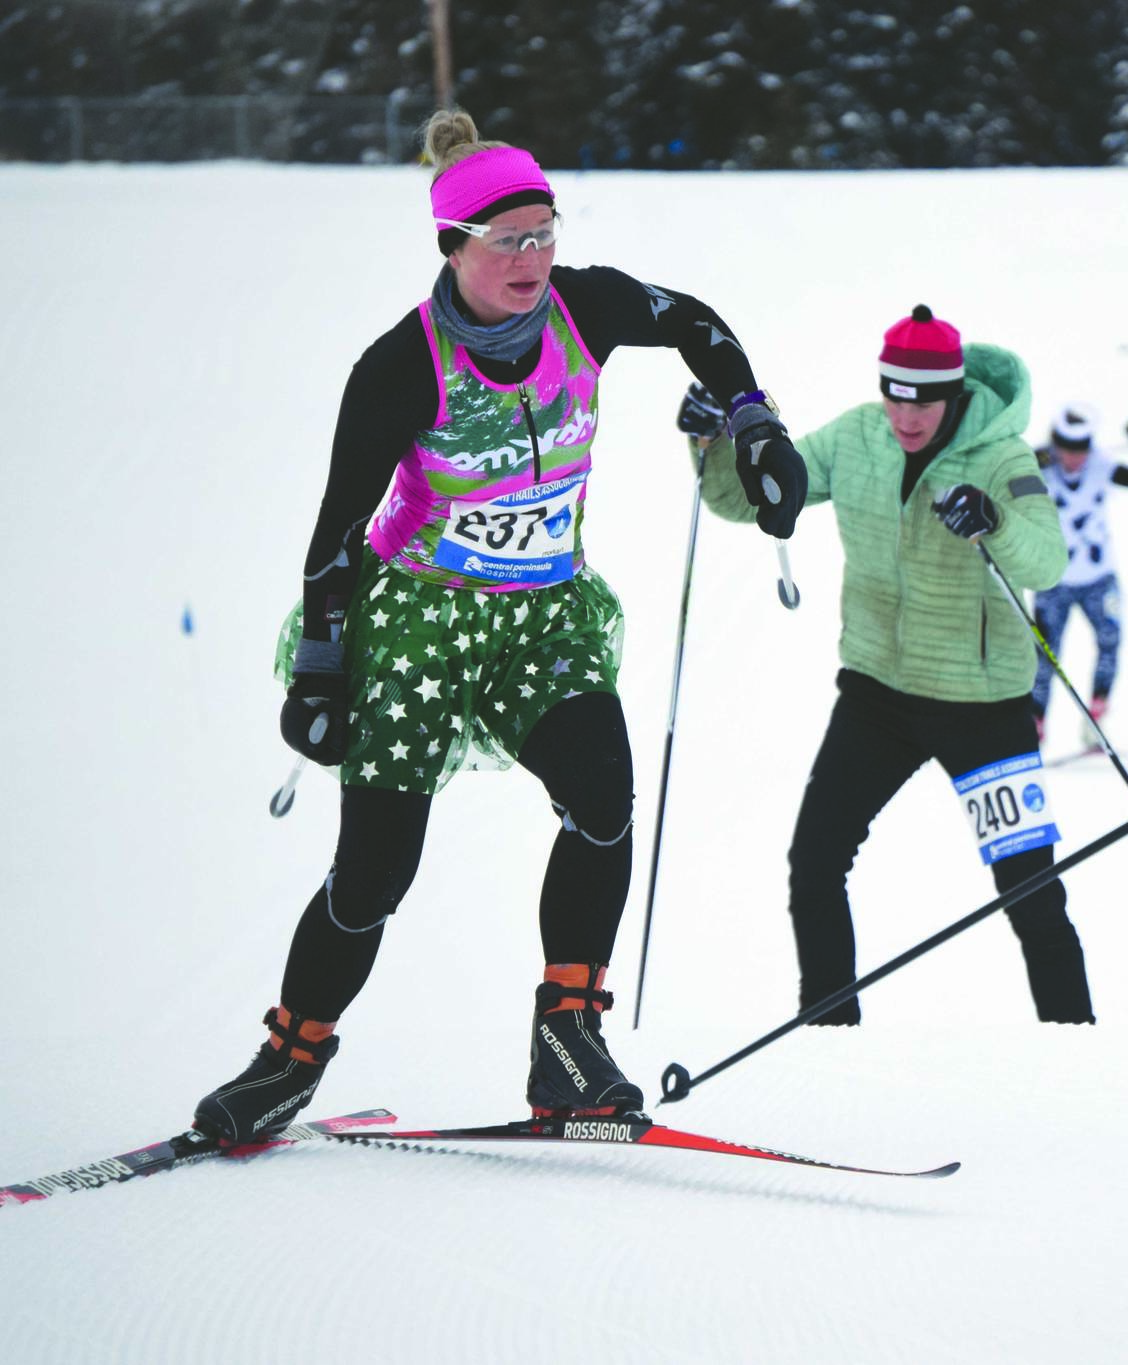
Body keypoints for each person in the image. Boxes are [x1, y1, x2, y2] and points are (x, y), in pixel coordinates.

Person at [190, 110, 808, 1143]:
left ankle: (565, 1044)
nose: (531, 257)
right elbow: (336, 533)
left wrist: (752, 418)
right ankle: (288, 1058)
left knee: (603, 799)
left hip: (544, 615)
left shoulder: (587, 307)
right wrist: (319, 665)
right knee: (376, 871)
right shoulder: (400, 366)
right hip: (417, 625)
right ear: (452, 243)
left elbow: (694, 321)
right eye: (506, 239)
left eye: (543, 232)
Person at [689, 306, 1095, 1025]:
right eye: (894, 394)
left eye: (924, 399)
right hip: (878, 695)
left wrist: (992, 522)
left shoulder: (1004, 457)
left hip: (984, 706)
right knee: (814, 866)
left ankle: (1076, 1044)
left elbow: (1051, 559)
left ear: (954, 393)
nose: (906, 415)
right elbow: (747, 497)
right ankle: (831, 1041)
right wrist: (717, 438)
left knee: (1030, 893)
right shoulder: (855, 436)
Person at [1028, 404, 1128, 743]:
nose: (1074, 458)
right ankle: (1035, 724)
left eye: (1080, 450)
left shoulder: (1101, 465)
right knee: (1044, 655)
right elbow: (1004, 488)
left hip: (1099, 577)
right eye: (1066, 450)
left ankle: (1096, 717)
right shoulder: (1039, 467)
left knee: (1110, 641)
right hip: (1053, 580)